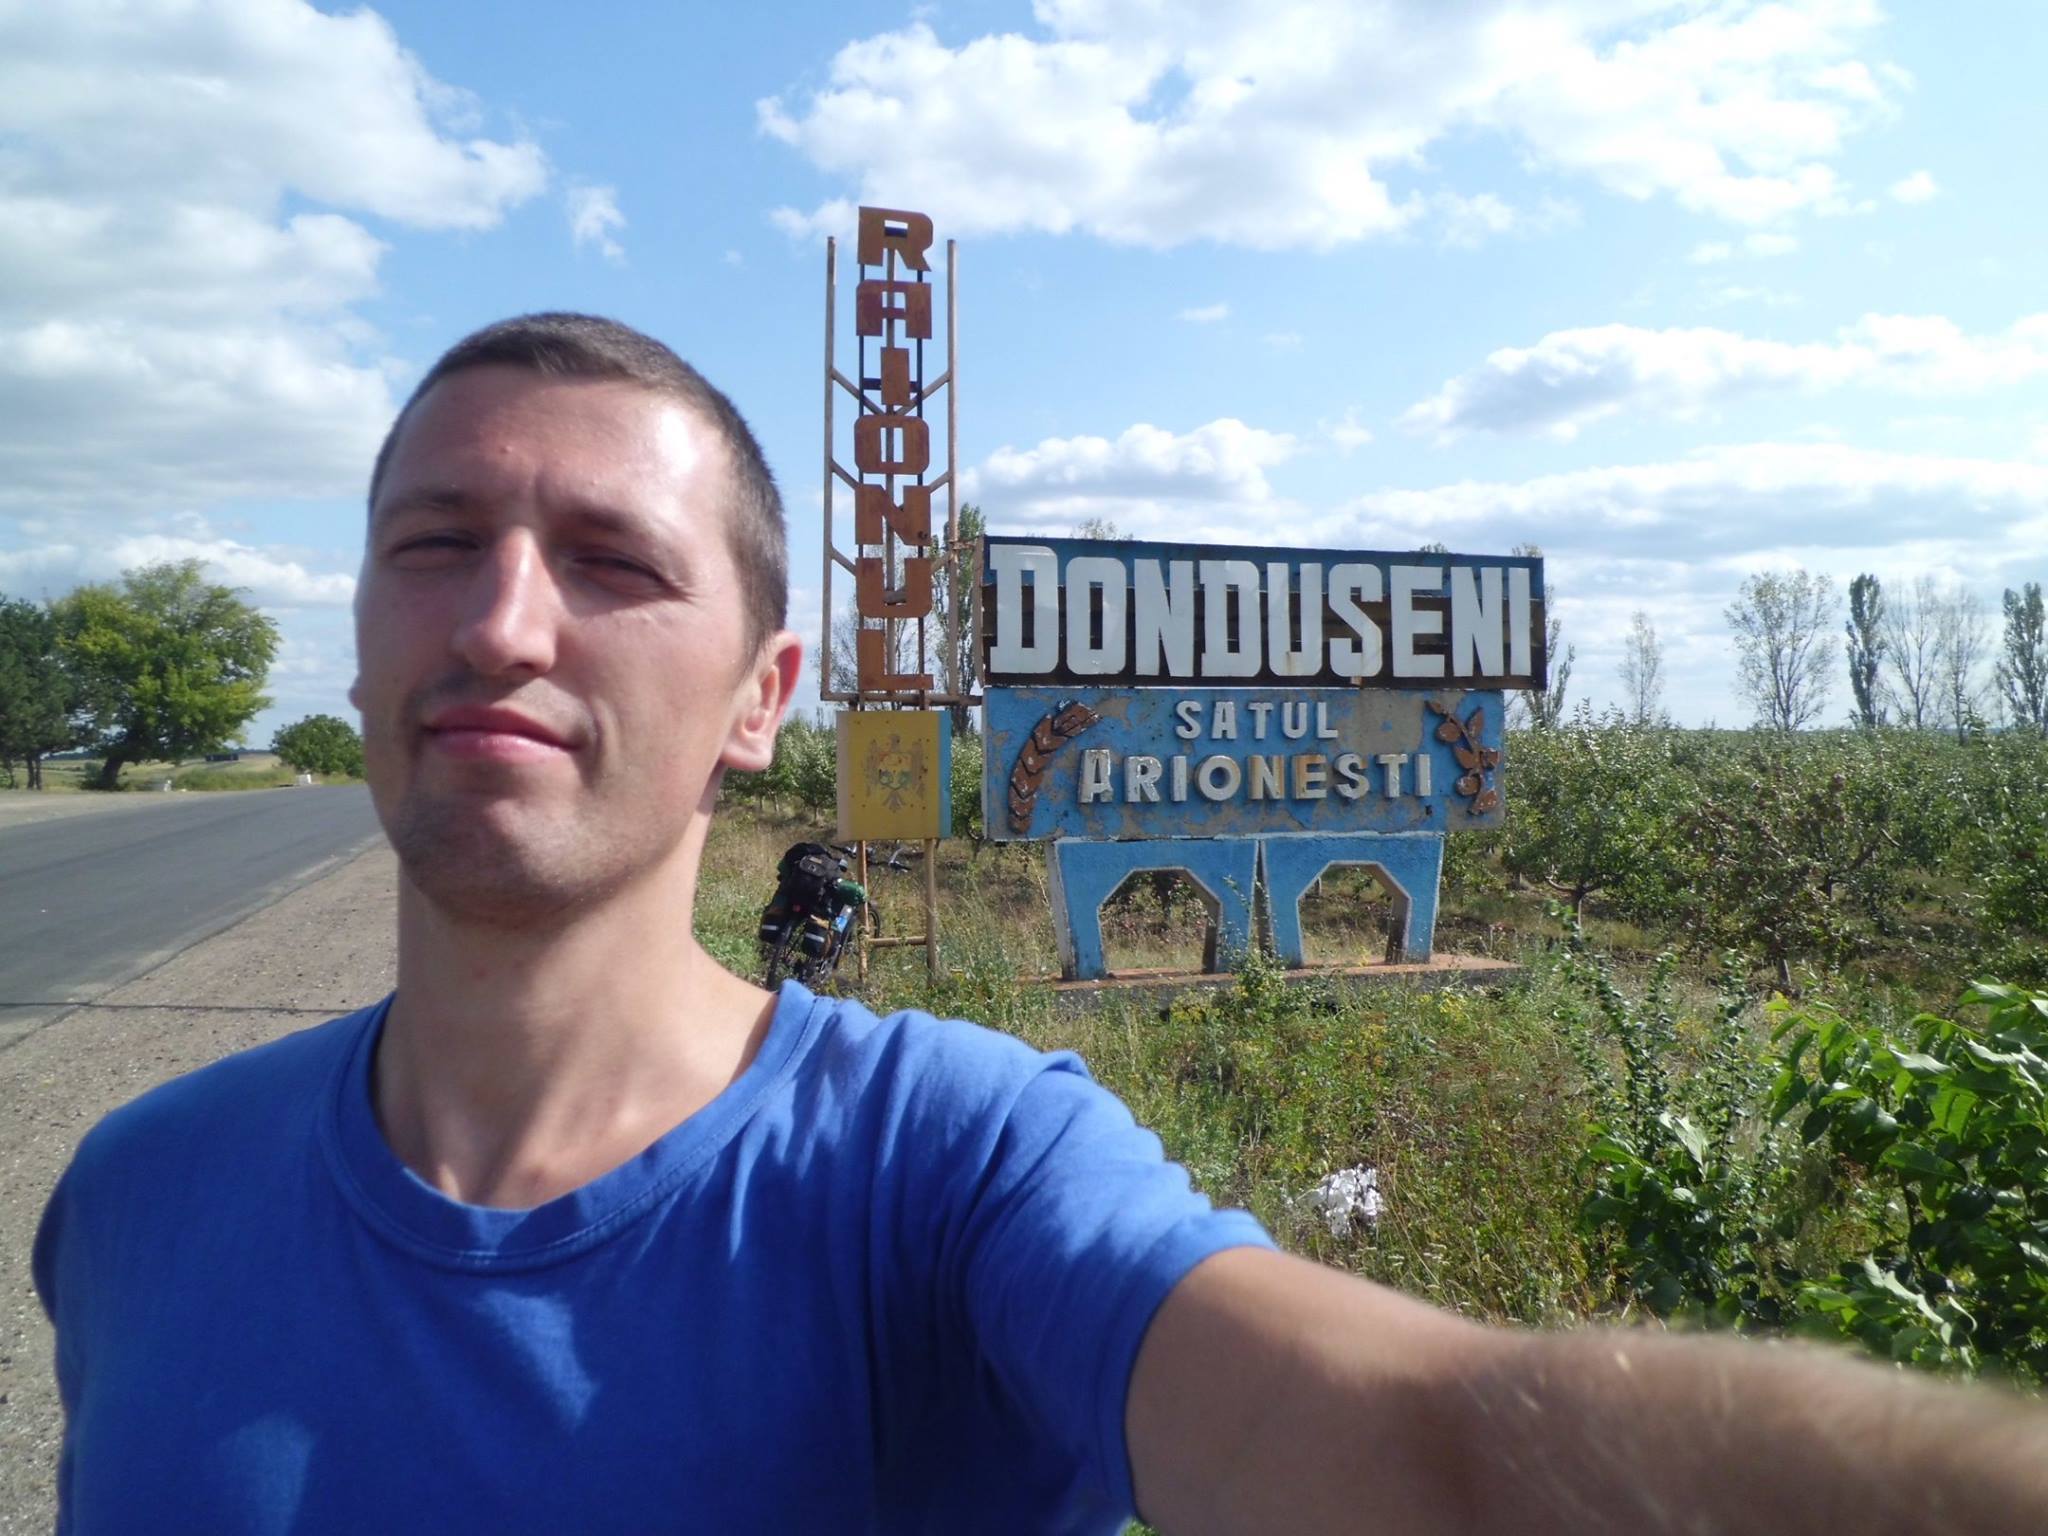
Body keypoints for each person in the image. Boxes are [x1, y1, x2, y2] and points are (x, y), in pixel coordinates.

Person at [33, 314, 2048, 1534]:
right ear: (361, 631)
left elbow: (1424, 1447)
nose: (502, 619)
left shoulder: (952, 1168)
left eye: (614, 563)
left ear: (762, 697)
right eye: (437, 543)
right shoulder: (130, 1197)